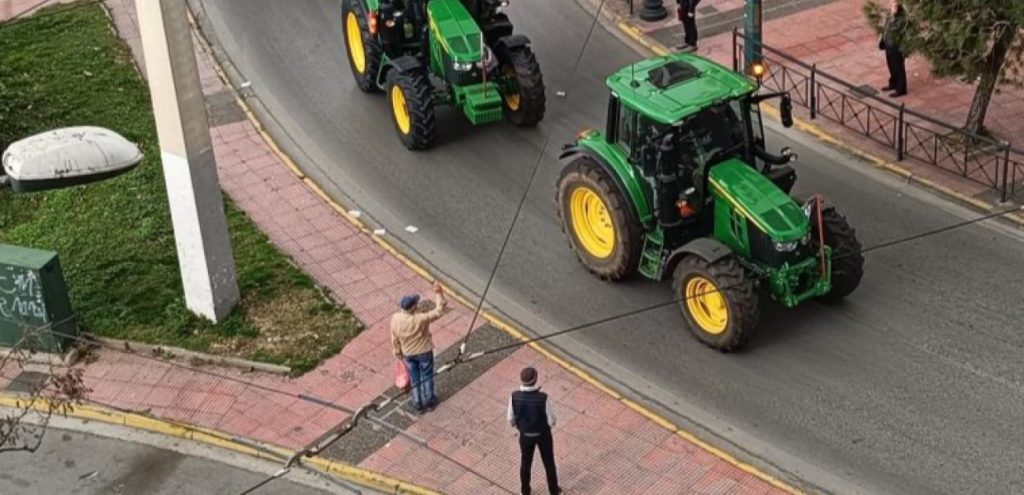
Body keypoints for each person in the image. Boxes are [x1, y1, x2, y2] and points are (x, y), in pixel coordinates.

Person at [390, 282, 446, 413]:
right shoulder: (420, 319)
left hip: (408, 354)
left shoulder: (395, 319)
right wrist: (439, 294)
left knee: (415, 379)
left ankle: (417, 402)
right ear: (413, 307)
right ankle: (430, 401)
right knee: (427, 376)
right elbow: (438, 311)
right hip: (424, 352)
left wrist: (398, 353)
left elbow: (394, 338)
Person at [508, 367, 561, 495]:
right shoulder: (543, 397)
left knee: (525, 463)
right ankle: (554, 491)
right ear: (535, 379)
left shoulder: (514, 397)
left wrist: (519, 427)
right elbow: (551, 419)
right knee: (548, 462)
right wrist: (550, 426)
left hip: (525, 436)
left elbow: (510, 418)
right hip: (543, 435)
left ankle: (525, 491)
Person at [879, 0, 908, 97]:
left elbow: (897, 29)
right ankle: (893, 83)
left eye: (894, 2)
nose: (892, 3)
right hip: (889, 44)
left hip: (896, 46)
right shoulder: (891, 12)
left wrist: (894, 16)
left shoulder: (901, 16)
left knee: (898, 66)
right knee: (891, 64)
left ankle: (901, 88)